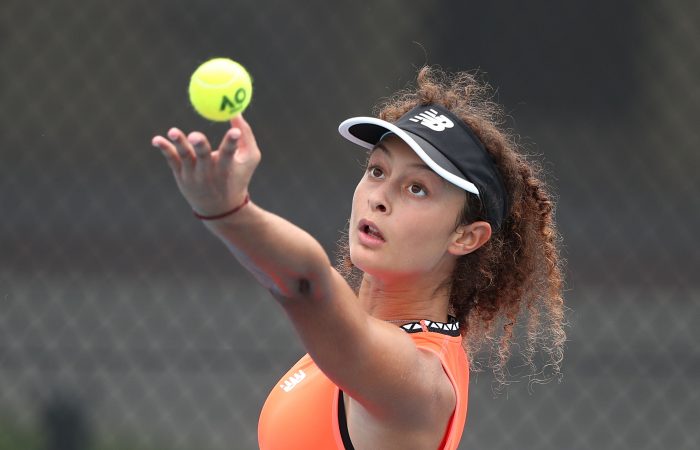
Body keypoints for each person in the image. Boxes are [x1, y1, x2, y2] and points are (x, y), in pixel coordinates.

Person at [151, 66, 565, 450]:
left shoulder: (417, 383)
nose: (379, 197)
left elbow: (307, 286)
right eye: (377, 171)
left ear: (466, 236)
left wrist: (229, 213)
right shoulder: (365, 337)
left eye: (417, 188)